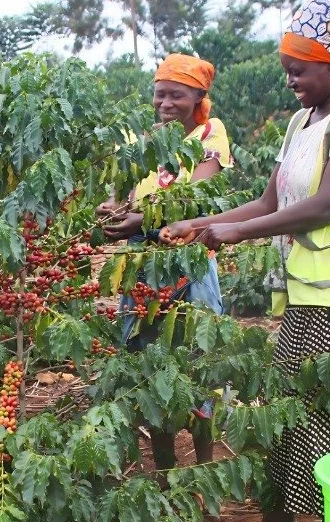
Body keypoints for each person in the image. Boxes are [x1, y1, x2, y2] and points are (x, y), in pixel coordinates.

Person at [163, 0, 330, 522]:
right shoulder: (303, 121)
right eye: (287, 70)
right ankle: (280, 515)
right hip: (307, 292)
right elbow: (270, 200)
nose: (291, 81)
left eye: (299, 70)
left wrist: (236, 234)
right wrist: (201, 224)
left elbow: (325, 205)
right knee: (289, 406)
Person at [97, 53, 232, 471]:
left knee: (197, 362)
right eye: (160, 95)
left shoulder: (210, 134)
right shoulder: (146, 140)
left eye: (177, 95)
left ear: (198, 97)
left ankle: (203, 470)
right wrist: (113, 210)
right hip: (142, 265)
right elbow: (125, 193)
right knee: (147, 362)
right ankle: (165, 471)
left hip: (189, 262)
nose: (166, 103)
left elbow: (194, 201)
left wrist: (140, 219)